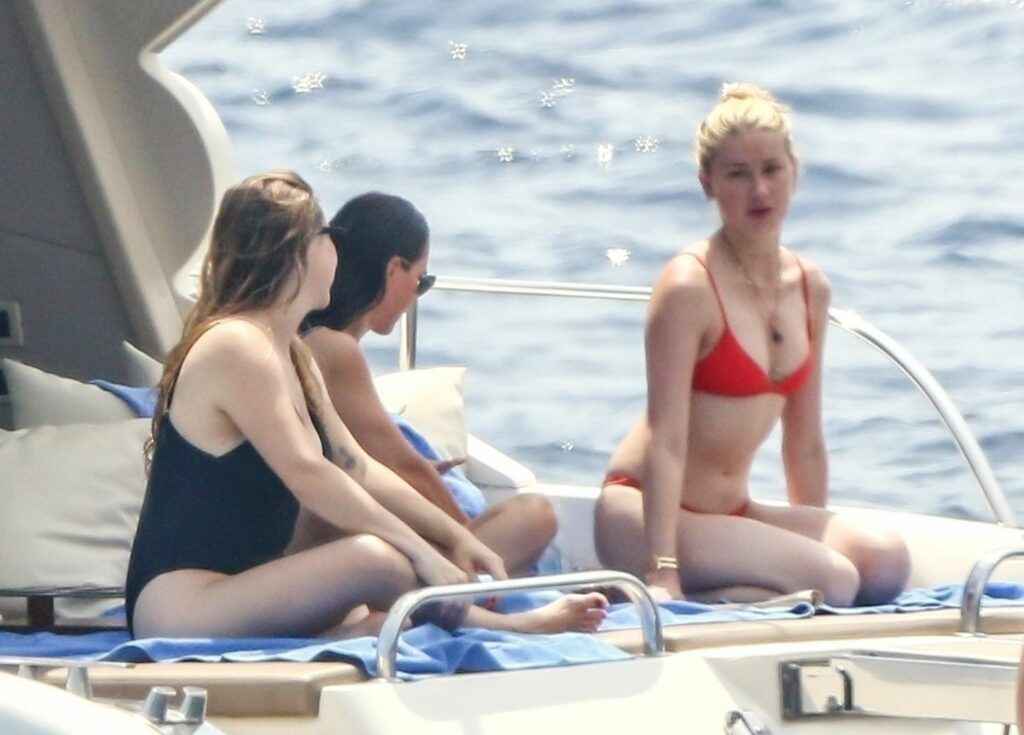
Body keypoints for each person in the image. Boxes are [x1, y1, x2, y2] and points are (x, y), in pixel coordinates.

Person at [126, 171, 604, 639]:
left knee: (374, 593)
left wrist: (456, 537)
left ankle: (353, 632)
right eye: (326, 238)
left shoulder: (292, 353)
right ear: (293, 254)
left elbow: (356, 467)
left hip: (244, 585)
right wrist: (419, 551)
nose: (337, 253)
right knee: (376, 559)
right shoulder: (236, 344)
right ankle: (513, 627)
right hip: (182, 606)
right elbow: (310, 472)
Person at [594, 84, 910, 606]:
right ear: (708, 184)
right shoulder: (688, 286)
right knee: (835, 581)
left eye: (771, 170)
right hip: (645, 511)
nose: (759, 191)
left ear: (794, 171)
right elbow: (666, 439)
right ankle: (685, 590)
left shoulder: (809, 287)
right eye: (738, 174)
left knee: (884, 561)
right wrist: (662, 569)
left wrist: (806, 540)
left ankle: (746, 591)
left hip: (730, 512)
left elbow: (804, 443)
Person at [301, 192, 606, 629]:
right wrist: (466, 542)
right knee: (534, 517)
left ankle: (504, 589)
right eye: (420, 280)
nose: (416, 296)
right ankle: (491, 595)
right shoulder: (335, 350)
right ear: (394, 270)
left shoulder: (311, 343)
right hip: (345, 543)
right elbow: (403, 468)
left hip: (343, 536)